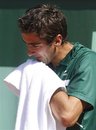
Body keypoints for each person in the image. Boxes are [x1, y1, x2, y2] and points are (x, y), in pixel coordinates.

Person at [16, 4, 96, 130]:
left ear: (57, 40)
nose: (29, 52)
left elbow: (67, 116)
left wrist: (42, 77)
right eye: (27, 45)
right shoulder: (39, 66)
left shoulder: (88, 61)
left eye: (35, 45)